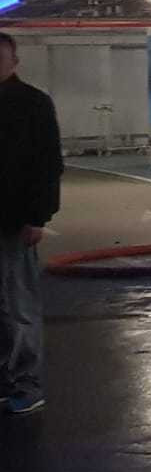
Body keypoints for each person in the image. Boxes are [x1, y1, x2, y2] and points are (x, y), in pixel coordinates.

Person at [0, 33, 62, 414]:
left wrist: (38, 217)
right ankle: (5, 378)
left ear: (14, 62)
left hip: (15, 220)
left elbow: (49, 163)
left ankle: (27, 382)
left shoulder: (33, 103)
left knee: (19, 304)